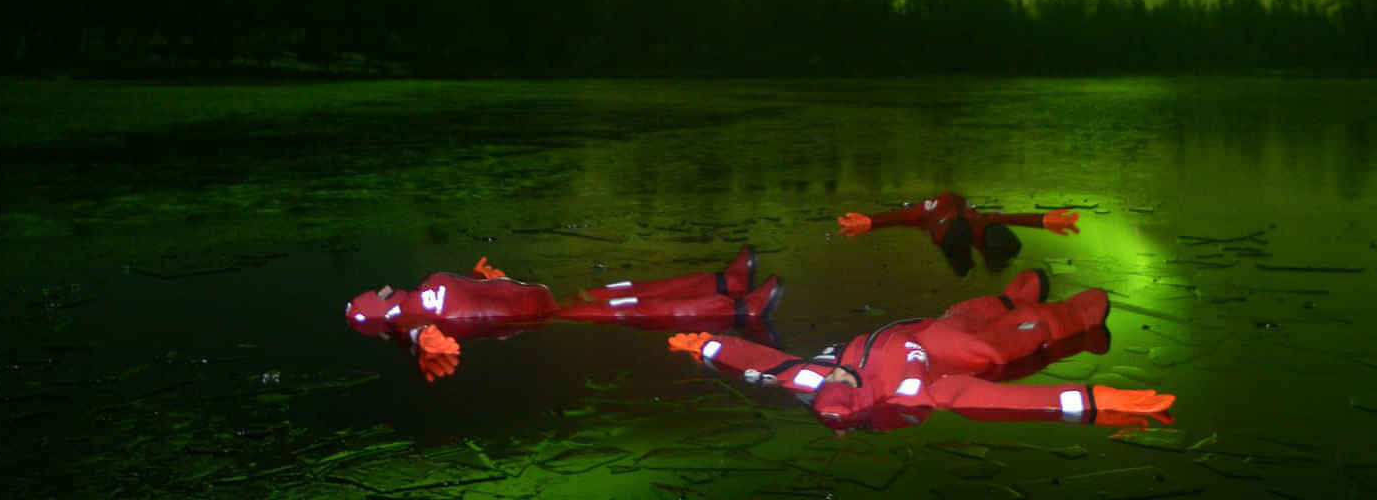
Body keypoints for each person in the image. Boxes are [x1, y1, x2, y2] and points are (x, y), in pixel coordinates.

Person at [666, 268, 1173, 432]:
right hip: (986, 348)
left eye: (832, 384)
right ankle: (1059, 313)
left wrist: (710, 343)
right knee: (1041, 322)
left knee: (965, 309)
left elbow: (762, 361)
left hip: (944, 324)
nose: (837, 377)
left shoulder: (812, 377)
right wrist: (1087, 399)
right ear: (862, 400)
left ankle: (1007, 297)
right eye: (844, 385)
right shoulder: (915, 395)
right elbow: (986, 400)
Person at [346, 246, 782, 381]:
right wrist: (425, 343)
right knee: (633, 306)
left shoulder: (419, 302)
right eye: (382, 293)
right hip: (540, 313)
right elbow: (423, 330)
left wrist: (489, 281)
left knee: (628, 293)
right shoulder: (416, 317)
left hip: (536, 301)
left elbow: (449, 307)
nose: (389, 290)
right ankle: (739, 305)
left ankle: (727, 284)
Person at [837, 192, 1081, 275]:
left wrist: (1043, 220)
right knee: (963, 268)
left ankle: (982, 264)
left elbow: (1004, 218)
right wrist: (870, 222)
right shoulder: (928, 216)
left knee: (975, 255)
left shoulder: (975, 222)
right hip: (953, 231)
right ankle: (967, 267)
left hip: (965, 226)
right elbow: (901, 216)